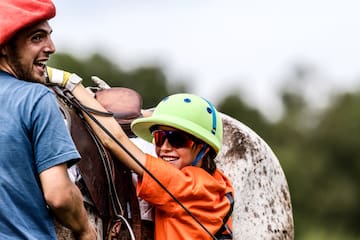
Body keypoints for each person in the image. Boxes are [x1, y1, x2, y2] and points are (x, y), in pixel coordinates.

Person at [47, 68, 234, 239]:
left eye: (177, 140)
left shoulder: (185, 185)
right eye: (159, 137)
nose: (165, 147)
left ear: (204, 148)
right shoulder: (218, 184)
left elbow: (113, 140)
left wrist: (70, 83)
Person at [0, 1, 96, 239]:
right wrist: (85, 230)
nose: (51, 47)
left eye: (49, 36)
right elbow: (59, 195)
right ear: (4, 46)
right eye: (36, 38)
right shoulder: (36, 98)